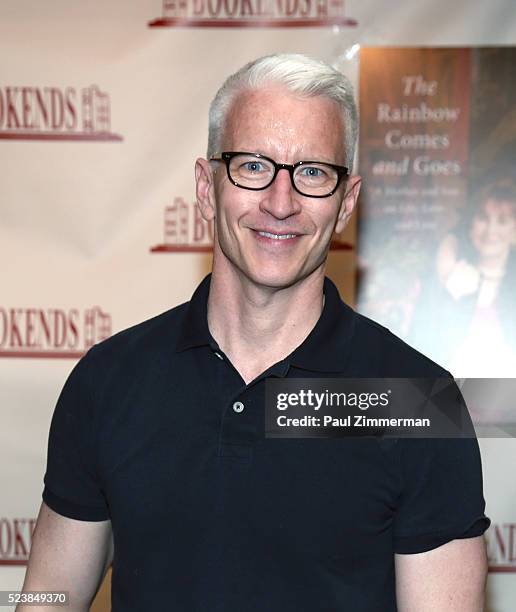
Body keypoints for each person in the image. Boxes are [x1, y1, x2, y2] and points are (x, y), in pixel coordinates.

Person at [19, 53, 489, 612]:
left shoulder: (418, 402)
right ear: (205, 186)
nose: (281, 202)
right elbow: (46, 601)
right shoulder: (109, 380)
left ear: (346, 204)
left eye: (313, 172)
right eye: (253, 165)